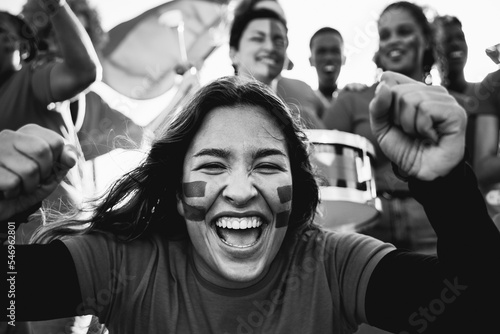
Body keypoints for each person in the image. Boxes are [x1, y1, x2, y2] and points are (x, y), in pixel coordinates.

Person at [1, 72, 500, 333]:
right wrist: (4, 216)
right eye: (213, 166)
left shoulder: (331, 265)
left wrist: (445, 182)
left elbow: (478, 313)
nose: (241, 190)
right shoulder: (122, 264)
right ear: (177, 195)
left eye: (266, 165)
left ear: (297, 190)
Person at [323, 1, 437, 255]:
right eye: (385, 35)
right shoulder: (351, 100)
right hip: (368, 223)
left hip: (435, 220)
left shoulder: (447, 104)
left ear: (426, 39)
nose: (393, 41)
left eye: (404, 31)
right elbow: (317, 163)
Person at [432, 15, 500, 224]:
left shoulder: (486, 90)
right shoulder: (427, 99)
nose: (455, 44)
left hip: (486, 206)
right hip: (443, 207)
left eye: (459, 37)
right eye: (445, 39)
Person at [229, 8, 325, 129]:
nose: (270, 47)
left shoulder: (298, 119)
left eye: (279, 42)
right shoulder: (212, 112)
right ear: (233, 53)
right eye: (258, 38)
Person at [309, 27, 346, 111]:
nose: (329, 58)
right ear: (311, 60)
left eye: (335, 51)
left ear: (343, 59)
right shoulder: (302, 102)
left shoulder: (354, 99)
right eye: (321, 52)